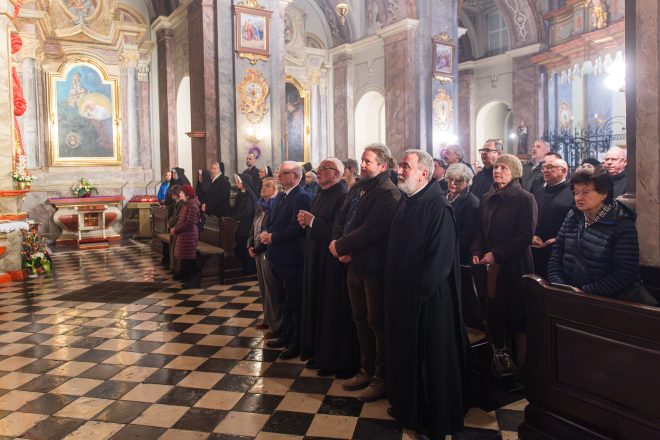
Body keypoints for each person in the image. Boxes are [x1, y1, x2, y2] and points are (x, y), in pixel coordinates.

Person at [386, 149, 468, 439]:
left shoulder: (437, 207)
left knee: (430, 360)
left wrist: (414, 295)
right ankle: (408, 409)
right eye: (399, 166)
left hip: (429, 302)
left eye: (405, 166)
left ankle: (430, 418)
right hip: (404, 298)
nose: (399, 170)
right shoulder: (406, 202)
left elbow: (439, 261)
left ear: (424, 171)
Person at [330, 144, 401, 402]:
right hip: (354, 264)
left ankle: (381, 378)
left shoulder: (388, 193)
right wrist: (338, 242)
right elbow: (342, 216)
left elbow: (372, 230)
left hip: (374, 268)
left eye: (368, 161)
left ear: (383, 166)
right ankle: (366, 368)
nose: (363, 164)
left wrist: (342, 246)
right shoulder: (359, 187)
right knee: (359, 318)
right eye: (362, 160)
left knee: (376, 323)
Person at [471, 154, 538, 375]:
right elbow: (479, 229)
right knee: (495, 312)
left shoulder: (524, 198)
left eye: (504, 168)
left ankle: (523, 365)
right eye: (496, 167)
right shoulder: (487, 197)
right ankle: (500, 359)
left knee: (517, 314)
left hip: (515, 265)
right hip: (491, 267)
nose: (498, 171)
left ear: (515, 173)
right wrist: (477, 251)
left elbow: (524, 236)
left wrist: (495, 254)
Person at [298, 158, 359, 377]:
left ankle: (337, 361)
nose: (320, 172)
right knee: (318, 307)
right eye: (320, 169)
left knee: (332, 310)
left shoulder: (341, 195)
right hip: (317, 258)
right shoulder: (322, 194)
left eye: (325, 169)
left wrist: (312, 222)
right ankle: (320, 354)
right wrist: (306, 222)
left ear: (337, 174)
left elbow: (338, 230)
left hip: (332, 263)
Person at [548, 169, 645, 300]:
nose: (579, 197)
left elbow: (625, 272)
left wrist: (586, 292)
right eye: (576, 193)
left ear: (604, 193)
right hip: (569, 294)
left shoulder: (621, 223)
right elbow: (557, 251)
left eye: (585, 192)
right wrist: (559, 284)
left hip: (604, 301)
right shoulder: (573, 215)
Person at [260, 161, 312, 359]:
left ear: (296, 177)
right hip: (277, 256)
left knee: (295, 303)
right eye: (280, 172)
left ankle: (296, 343)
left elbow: (297, 228)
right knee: (282, 300)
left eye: (284, 173)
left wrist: (273, 237)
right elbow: (273, 221)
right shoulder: (281, 194)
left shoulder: (302, 197)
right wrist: (267, 232)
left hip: (292, 259)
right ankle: (286, 335)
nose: (279, 175)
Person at [248, 177, 285, 338]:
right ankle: (267, 319)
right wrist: (249, 244)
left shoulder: (274, 208)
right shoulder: (260, 207)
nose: (264, 188)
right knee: (263, 289)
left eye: (268, 186)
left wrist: (257, 248)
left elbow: (270, 229)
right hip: (257, 251)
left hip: (267, 252)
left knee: (272, 290)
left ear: (276, 190)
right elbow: (253, 227)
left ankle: (276, 326)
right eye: (263, 185)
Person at [532, 157, 574, 279]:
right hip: (536, 247)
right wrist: (532, 235)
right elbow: (530, 218)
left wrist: (559, 239)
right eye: (544, 168)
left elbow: (577, 222)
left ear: (563, 171)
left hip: (561, 249)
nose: (545, 170)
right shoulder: (538, 193)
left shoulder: (573, 193)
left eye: (550, 167)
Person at [445, 163, 479, 265]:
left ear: (467, 182)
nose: (452, 183)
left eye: (458, 181)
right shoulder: (441, 196)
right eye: (450, 179)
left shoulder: (472, 203)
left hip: (458, 256)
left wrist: (447, 252)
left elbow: (466, 237)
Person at [170, 184, 201, 289]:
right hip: (184, 235)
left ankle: (194, 280)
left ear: (187, 194)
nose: (180, 194)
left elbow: (190, 223)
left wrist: (176, 230)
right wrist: (176, 228)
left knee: (190, 258)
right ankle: (187, 278)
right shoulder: (185, 204)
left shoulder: (193, 205)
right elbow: (181, 220)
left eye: (182, 193)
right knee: (186, 258)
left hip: (190, 235)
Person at [232, 174, 258, 275]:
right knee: (240, 246)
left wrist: (234, 217)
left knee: (245, 245)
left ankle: (250, 269)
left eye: (238, 181)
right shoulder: (241, 193)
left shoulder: (249, 195)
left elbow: (248, 211)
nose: (236, 183)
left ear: (244, 183)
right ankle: (245, 267)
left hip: (247, 225)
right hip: (241, 224)